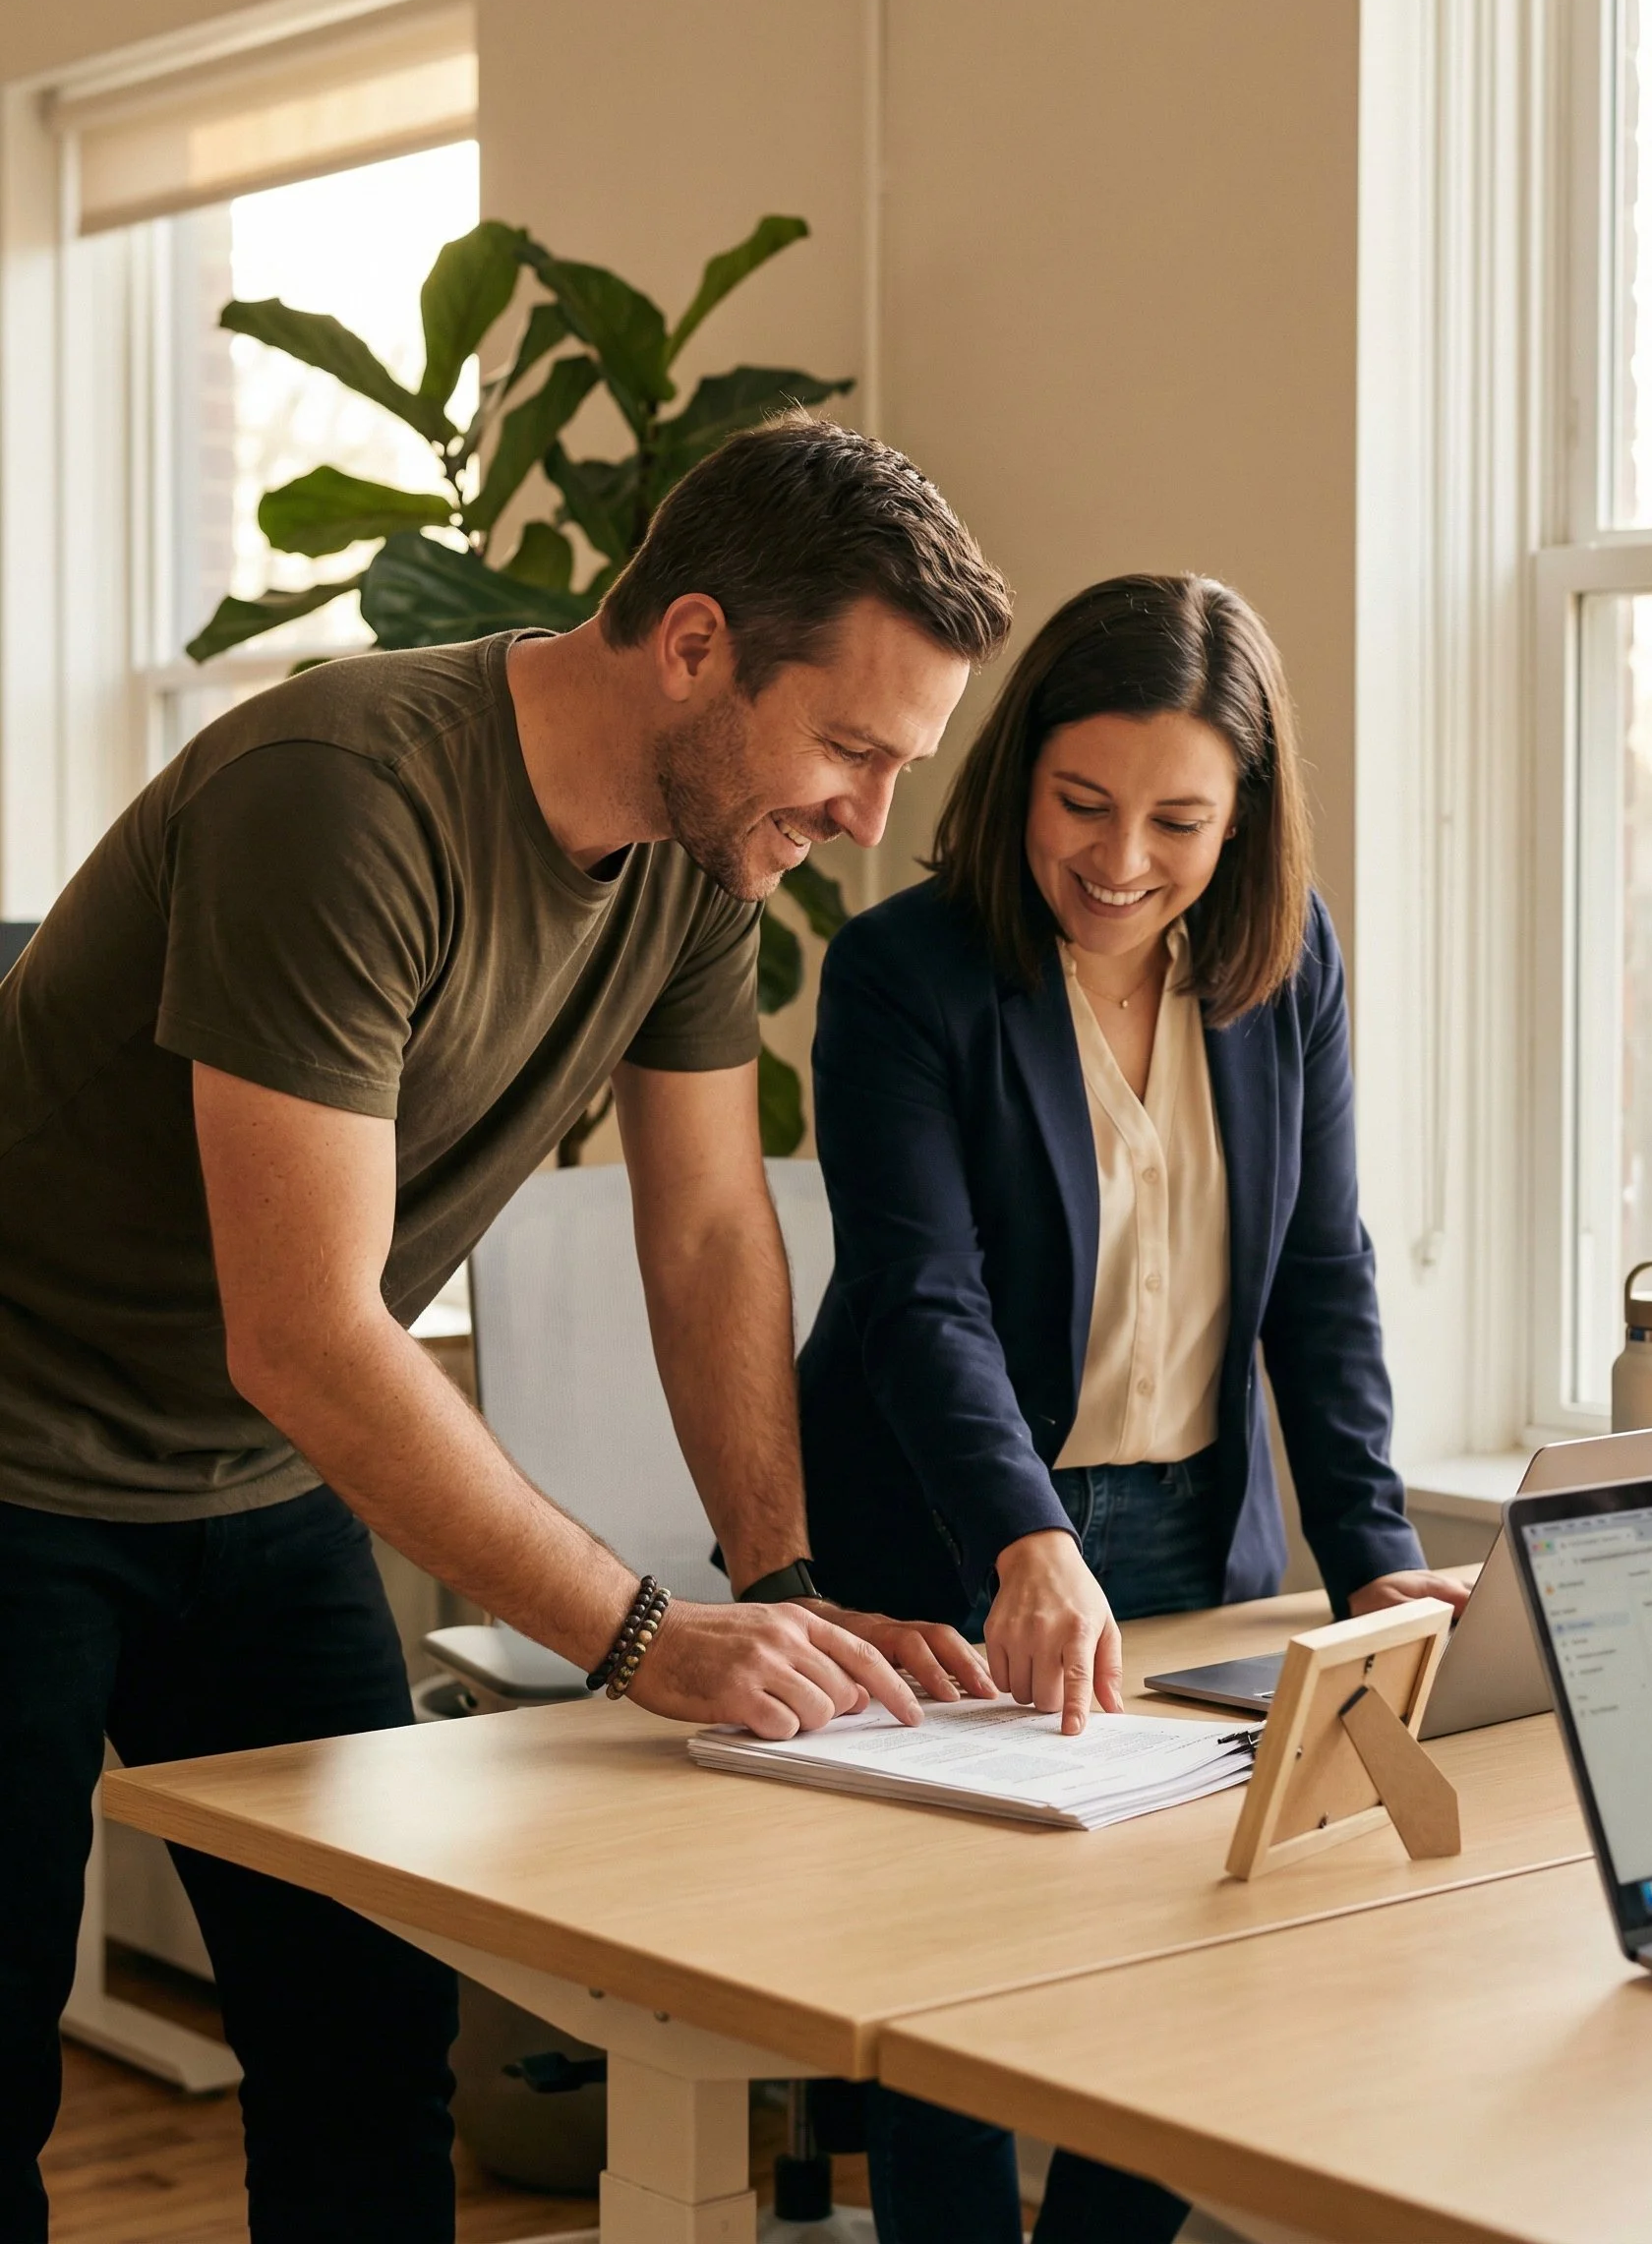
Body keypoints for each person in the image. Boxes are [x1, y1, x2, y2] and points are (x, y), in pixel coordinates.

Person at [0, 414, 1012, 2244]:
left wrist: (773, 1585)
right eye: (852, 749)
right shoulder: (342, 796)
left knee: (366, 2042)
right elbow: (307, 1332)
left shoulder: (707, 861)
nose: (870, 819)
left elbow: (707, 1232)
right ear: (694, 645)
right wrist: (641, 1639)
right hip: (16, 1453)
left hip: (247, 1478)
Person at [797, 572, 1469, 2244]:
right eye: (1083, 804)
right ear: (1020, 769)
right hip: (949, 1530)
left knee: (1190, 1973)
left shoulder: (1284, 957)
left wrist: (1371, 1553)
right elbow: (918, 1294)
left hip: (1191, 1529)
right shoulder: (905, 973)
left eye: (1180, 819)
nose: (1119, 860)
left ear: (1245, 819)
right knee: (946, 1981)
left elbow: (1323, 1269)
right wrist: (1025, 1537)